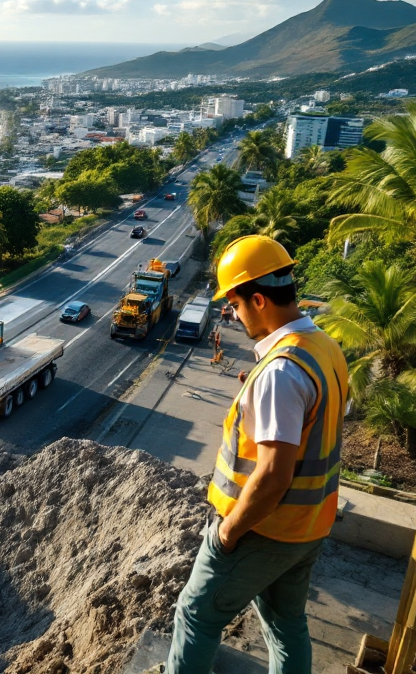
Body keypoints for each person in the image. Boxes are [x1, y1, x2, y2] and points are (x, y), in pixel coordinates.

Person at [165, 235, 349, 674]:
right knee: (286, 624)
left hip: (262, 530)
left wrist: (228, 533)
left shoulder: (281, 372)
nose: (231, 312)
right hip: (308, 528)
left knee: (196, 615)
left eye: (235, 302)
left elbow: (273, 475)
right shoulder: (322, 346)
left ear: (260, 299)